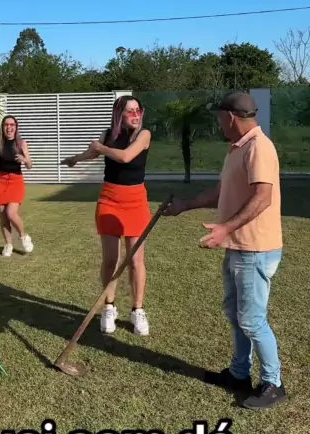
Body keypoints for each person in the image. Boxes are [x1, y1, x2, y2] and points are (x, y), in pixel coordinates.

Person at [163, 91, 287, 411]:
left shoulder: (259, 147)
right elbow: (221, 191)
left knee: (252, 320)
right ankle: (239, 374)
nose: (218, 123)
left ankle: (273, 383)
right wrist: (184, 206)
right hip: (238, 248)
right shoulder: (237, 149)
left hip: (255, 248)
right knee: (235, 314)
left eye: (219, 117)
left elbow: (263, 197)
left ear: (230, 117)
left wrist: (225, 228)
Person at [61, 95, 151, 336]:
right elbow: (92, 153)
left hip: (136, 202)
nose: (135, 115)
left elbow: (125, 156)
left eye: (138, 110)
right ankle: (109, 307)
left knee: (135, 260)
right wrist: (75, 159)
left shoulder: (144, 135)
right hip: (110, 200)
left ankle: (137, 310)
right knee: (111, 259)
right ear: (119, 114)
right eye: (130, 111)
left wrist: (101, 148)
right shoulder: (108, 134)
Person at [0, 115, 34, 257]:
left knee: (11, 213)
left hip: (15, 181)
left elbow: (29, 165)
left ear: (16, 127)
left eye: (12, 125)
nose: (9, 127)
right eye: (6, 124)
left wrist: (25, 159)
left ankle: (24, 236)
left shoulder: (21, 143)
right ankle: (8, 245)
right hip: (0, 180)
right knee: (3, 216)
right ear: (3, 127)